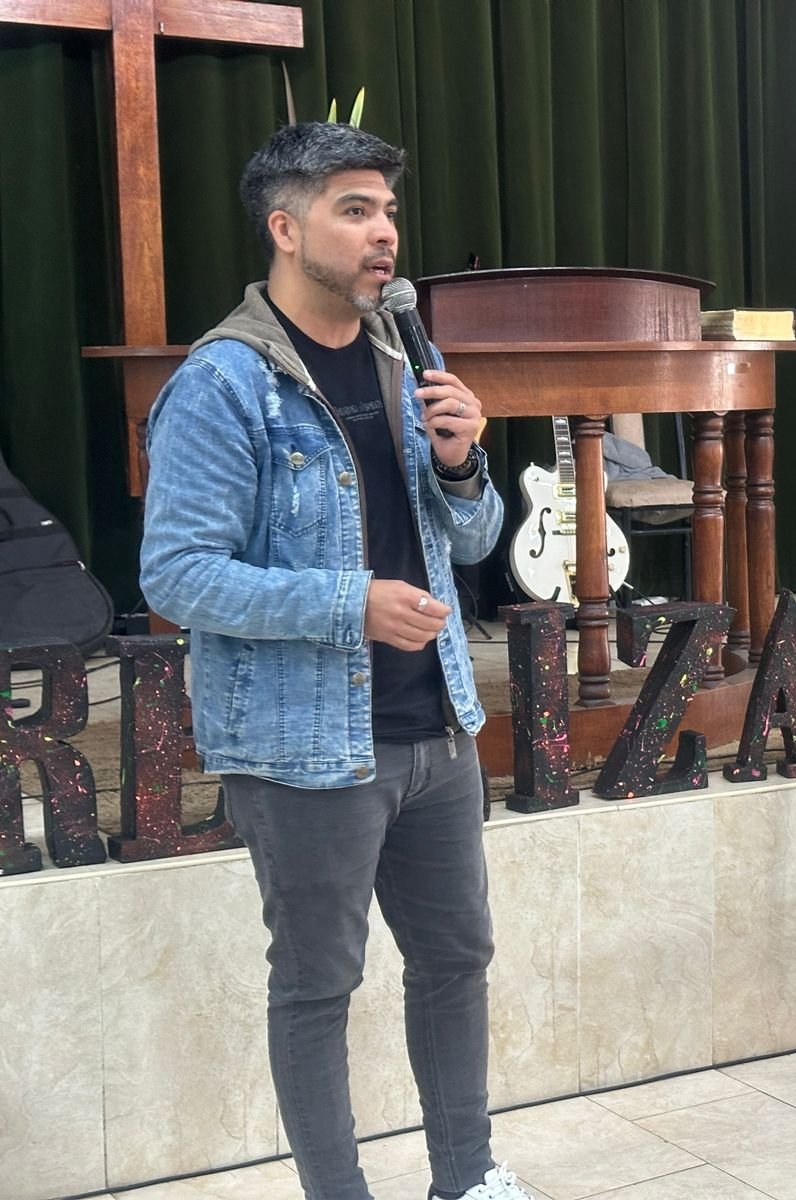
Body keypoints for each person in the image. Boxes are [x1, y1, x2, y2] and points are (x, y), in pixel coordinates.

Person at [140, 122, 531, 1200]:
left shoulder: (406, 354)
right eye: (354, 211)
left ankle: (467, 1179)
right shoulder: (225, 383)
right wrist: (345, 604)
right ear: (285, 227)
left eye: (387, 211)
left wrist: (463, 465)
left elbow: (470, 544)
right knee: (318, 986)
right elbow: (176, 575)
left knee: (455, 962)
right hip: (304, 747)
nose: (383, 233)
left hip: (437, 727)